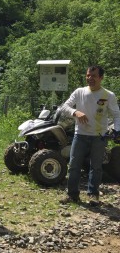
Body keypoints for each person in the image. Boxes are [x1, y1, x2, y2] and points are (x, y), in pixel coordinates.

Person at [60, 65, 120, 206]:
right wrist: (75, 112)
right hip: (80, 135)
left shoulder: (108, 95)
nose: (90, 78)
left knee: (96, 167)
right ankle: (72, 195)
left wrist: (117, 130)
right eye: (88, 75)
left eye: (93, 76)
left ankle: (93, 195)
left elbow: (117, 115)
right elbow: (65, 107)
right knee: (74, 165)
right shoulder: (79, 92)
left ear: (101, 78)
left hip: (99, 136)